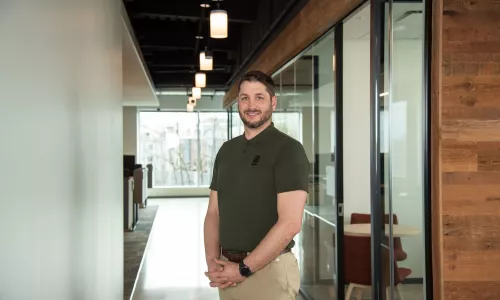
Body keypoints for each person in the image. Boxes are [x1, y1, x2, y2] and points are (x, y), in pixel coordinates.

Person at [203, 70, 310, 300]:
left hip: (268, 271)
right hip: (228, 271)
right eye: (244, 98)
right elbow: (214, 212)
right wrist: (214, 264)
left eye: (259, 97)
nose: (251, 105)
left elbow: (290, 223)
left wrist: (243, 268)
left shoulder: (288, 150)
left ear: (273, 102)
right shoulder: (226, 151)